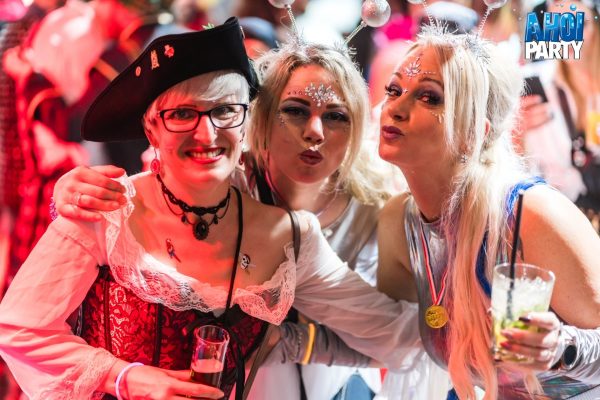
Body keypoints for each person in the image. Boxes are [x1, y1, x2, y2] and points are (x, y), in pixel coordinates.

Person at [0, 18, 422, 400]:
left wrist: (446, 262)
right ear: (151, 127)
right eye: (183, 114)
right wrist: (127, 378)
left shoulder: (295, 236)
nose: (207, 133)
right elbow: (18, 327)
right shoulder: (108, 207)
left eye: (223, 111)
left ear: (245, 120)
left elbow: (395, 336)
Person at [376, 25, 600, 399]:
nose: (395, 108)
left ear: (474, 133)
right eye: (394, 90)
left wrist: (562, 347)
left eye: (429, 97)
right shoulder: (400, 223)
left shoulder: (530, 214)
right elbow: (384, 334)